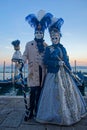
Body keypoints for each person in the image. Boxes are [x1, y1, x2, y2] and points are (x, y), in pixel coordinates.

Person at [36, 17, 87, 125]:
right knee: (54, 94)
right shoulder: (49, 49)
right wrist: (56, 63)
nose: (54, 40)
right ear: (51, 38)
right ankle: (54, 114)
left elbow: (66, 60)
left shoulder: (63, 48)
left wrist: (70, 71)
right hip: (53, 74)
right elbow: (46, 61)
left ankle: (69, 114)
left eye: (56, 38)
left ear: (59, 37)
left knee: (66, 94)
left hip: (64, 74)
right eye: (52, 38)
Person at [22, 10, 53, 121]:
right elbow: (25, 55)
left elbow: (49, 57)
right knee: (32, 92)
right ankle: (30, 111)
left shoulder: (46, 45)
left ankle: (38, 111)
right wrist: (21, 61)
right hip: (32, 72)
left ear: (42, 34)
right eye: (37, 33)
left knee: (40, 93)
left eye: (40, 33)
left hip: (42, 73)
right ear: (34, 33)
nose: (39, 34)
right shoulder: (28, 44)